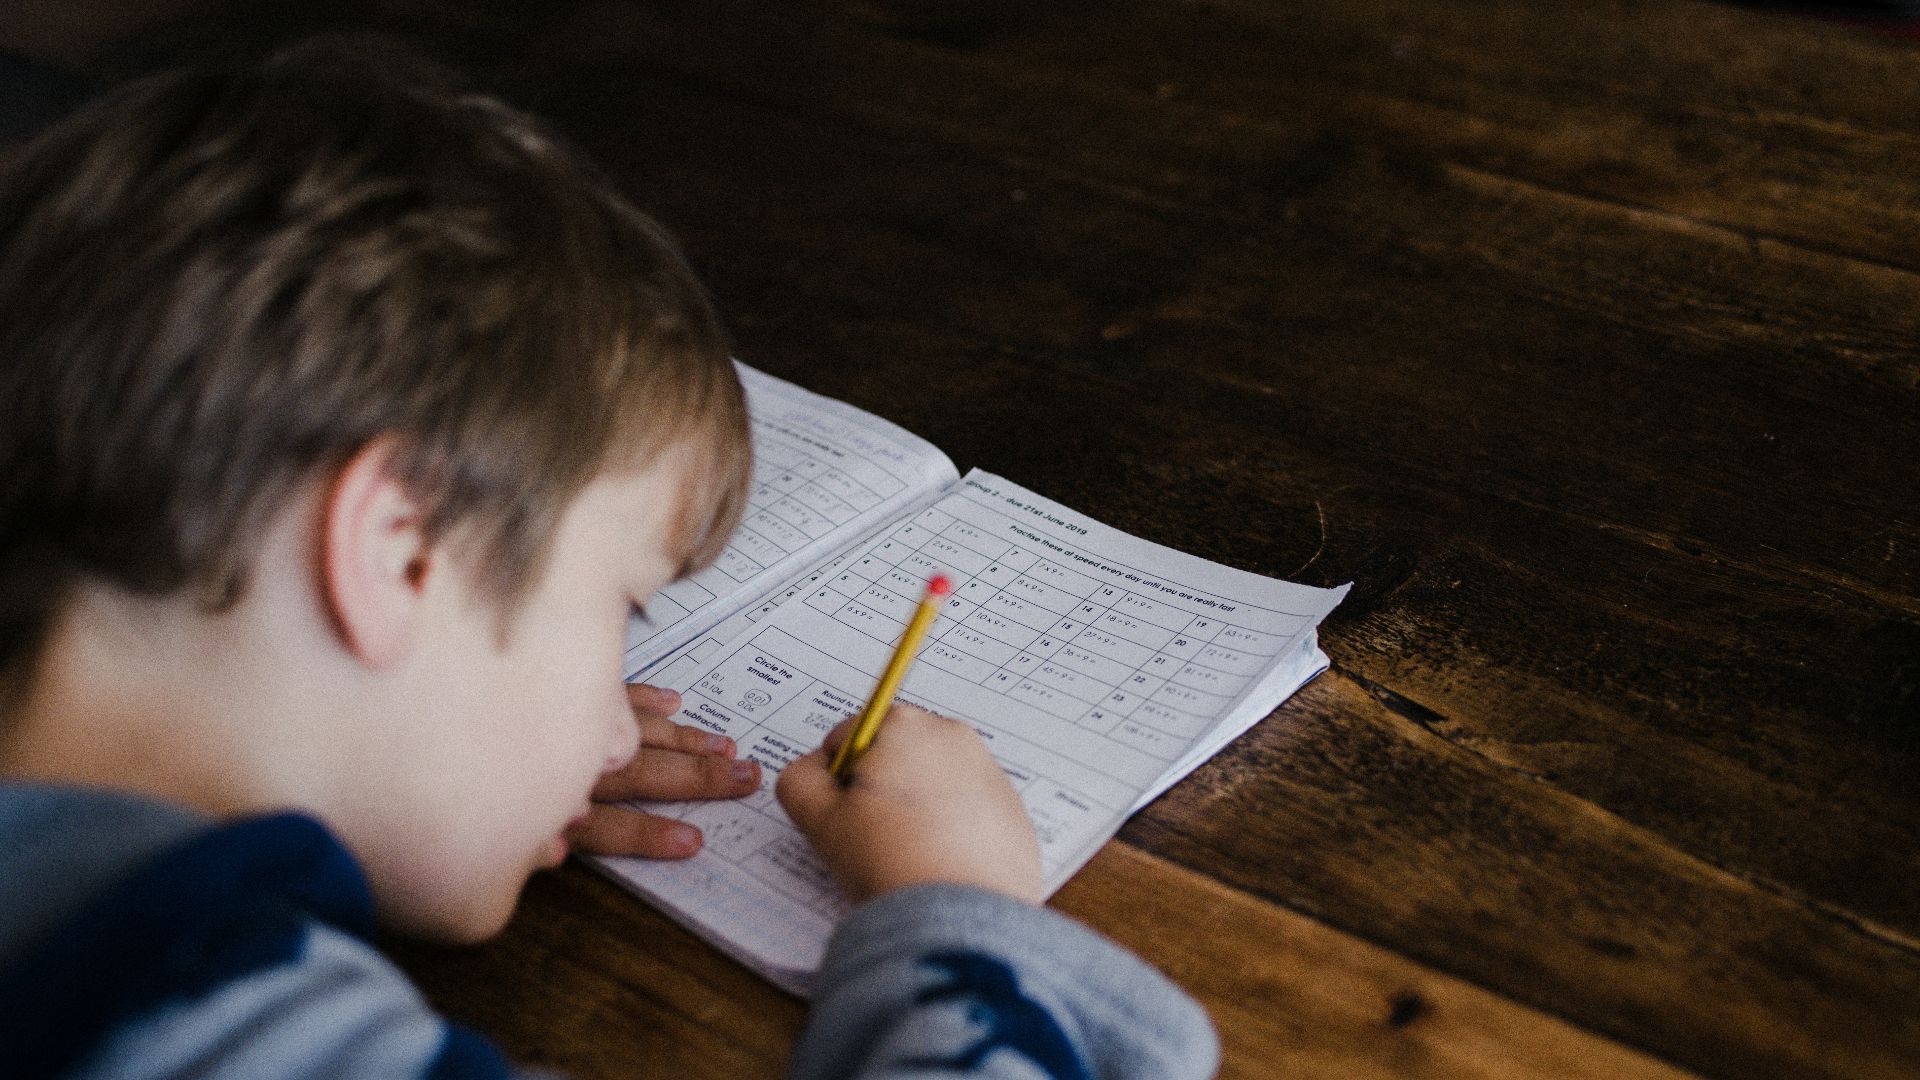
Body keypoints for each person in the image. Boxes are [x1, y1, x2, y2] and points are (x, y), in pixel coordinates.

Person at [0, 40, 1219, 1080]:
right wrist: (958, 918)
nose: (621, 735)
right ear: (402, 550)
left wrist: (422, 774)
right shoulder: (193, 1010)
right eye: (621, 609)